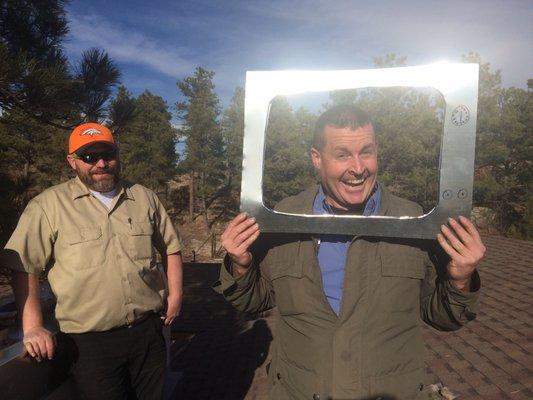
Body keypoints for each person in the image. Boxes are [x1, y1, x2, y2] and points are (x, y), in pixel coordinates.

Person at [215, 105, 485, 400]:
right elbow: (254, 301)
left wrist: (460, 280)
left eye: (366, 152)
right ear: (317, 159)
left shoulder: (413, 221)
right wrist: (241, 266)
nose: (358, 168)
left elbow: (444, 318)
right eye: (342, 154)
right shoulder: (284, 218)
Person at [2, 122, 183, 400]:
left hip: (148, 332)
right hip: (87, 345)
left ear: (117, 155)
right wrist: (33, 326)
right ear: (72, 162)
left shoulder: (144, 197)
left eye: (107, 154)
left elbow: (171, 247)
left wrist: (177, 294)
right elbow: (23, 264)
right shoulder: (48, 205)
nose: (101, 163)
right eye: (89, 156)